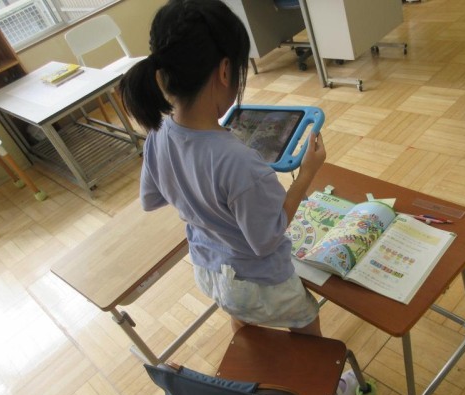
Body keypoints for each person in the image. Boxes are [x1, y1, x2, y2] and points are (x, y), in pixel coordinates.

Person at [119, 0, 325, 336]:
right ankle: (317, 368)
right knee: (305, 318)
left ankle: (246, 343)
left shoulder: (157, 133)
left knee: (239, 310)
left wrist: (197, 187)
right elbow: (267, 238)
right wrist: (306, 174)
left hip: (208, 271)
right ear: (226, 70)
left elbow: (151, 199)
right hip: (262, 284)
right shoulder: (241, 162)